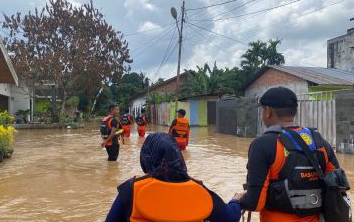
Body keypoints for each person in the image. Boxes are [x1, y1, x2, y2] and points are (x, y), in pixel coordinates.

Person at [238, 87, 340, 222]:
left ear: (268, 111)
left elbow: (255, 203)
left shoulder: (262, 145)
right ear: (294, 111)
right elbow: (338, 186)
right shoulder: (319, 141)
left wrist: (238, 199)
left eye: (263, 110)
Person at [105, 132, 242, 222]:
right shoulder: (199, 190)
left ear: (146, 157)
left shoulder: (132, 189)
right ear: (177, 155)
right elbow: (230, 217)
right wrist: (236, 201)